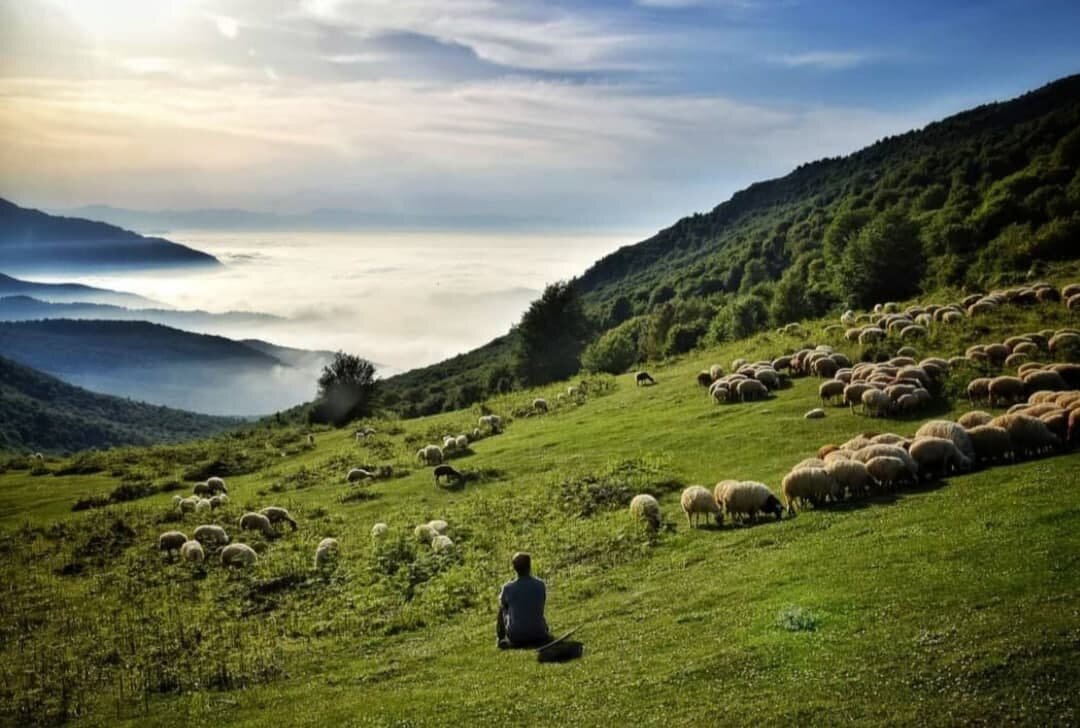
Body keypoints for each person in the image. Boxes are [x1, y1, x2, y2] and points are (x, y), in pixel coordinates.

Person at [496, 552, 552, 649]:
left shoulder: (508, 588)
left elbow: (504, 607)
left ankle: (501, 639)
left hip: (516, 636)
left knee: (502, 608)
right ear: (529, 565)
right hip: (539, 632)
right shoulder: (540, 585)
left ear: (514, 568)